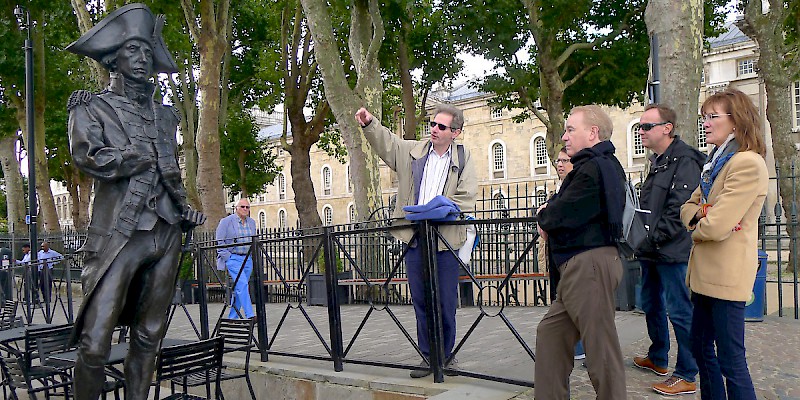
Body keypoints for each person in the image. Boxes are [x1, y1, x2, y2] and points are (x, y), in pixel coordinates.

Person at [65, 4, 206, 400]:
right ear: (114, 58)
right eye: (133, 51)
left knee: (150, 334)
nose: (142, 59)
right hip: (121, 234)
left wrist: (183, 208)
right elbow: (86, 154)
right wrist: (129, 159)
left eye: (147, 52)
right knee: (94, 343)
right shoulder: (91, 107)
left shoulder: (166, 116)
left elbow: (171, 169)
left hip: (166, 230)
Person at [355, 104, 477, 378]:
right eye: (433, 124)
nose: (434, 129)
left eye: (441, 126)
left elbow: (468, 195)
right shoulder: (413, 151)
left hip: (445, 239)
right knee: (421, 300)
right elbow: (387, 143)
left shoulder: (463, 156)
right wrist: (369, 123)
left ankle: (446, 355)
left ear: (455, 132)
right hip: (415, 237)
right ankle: (427, 355)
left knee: (445, 301)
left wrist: (444, 207)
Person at [535, 105, 627, 399]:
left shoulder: (593, 168)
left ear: (592, 132)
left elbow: (560, 214)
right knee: (551, 335)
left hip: (588, 265)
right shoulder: (596, 165)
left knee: (601, 347)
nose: (564, 136)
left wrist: (547, 215)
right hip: (581, 266)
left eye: (571, 129)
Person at [681, 88, 767, 400]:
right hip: (704, 276)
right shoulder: (713, 164)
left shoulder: (746, 163)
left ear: (736, 122)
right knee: (702, 349)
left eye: (712, 117)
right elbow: (688, 209)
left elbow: (715, 227)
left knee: (731, 359)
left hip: (727, 275)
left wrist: (703, 220)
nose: (705, 123)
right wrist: (705, 215)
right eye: (704, 117)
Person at [632, 104, 704, 395]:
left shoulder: (685, 160)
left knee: (680, 311)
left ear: (667, 128)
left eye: (647, 126)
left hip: (672, 250)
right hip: (651, 249)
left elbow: (679, 210)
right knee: (651, 304)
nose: (641, 131)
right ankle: (658, 356)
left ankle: (687, 372)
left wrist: (653, 239)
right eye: (640, 126)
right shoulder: (658, 160)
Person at [537, 147, 586, 361]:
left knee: (575, 301)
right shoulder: (558, 189)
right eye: (558, 160)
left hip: (573, 254)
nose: (560, 164)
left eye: (565, 161)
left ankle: (580, 347)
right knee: (562, 297)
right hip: (555, 252)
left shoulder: (575, 188)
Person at [216, 198, 257, 319]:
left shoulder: (252, 222)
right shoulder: (226, 222)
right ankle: (250, 315)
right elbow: (219, 241)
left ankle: (233, 317)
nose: (245, 209)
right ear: (236, 208)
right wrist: (228, 257)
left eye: (247, 207)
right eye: (242, 207)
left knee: (240, 287)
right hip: (233, 258)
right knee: (243, 284)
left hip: (247, 258)